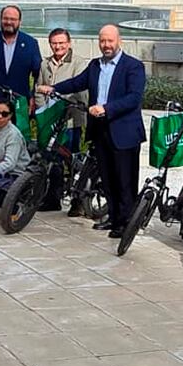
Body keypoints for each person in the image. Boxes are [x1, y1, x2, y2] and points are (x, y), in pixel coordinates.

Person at [44, 24, 146, 238]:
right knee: (107, 179)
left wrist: (106, 109)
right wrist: (55, 88)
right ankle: (114, 217)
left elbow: (134, 98)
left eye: (110, 41)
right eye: (102, 41)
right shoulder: (95, 65)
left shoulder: (133, 66)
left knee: (124, 180)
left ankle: (126, 222)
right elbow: (77, 82)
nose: (106, 45)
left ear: (119, 41)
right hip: (100, 131)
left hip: (124, 133)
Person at [36, 28, 87, 214]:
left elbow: (79, 89)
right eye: (54, 43)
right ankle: (53, 199)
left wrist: (60, 101)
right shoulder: (44, 64)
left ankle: (78, 202)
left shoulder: (79, 63)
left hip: (71, 121)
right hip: (51, 121)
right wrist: (44, 111)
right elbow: (39, 89)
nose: (58, 46)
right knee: (51, 159)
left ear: (69, 43)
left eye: (61, 43)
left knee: (72, 160)